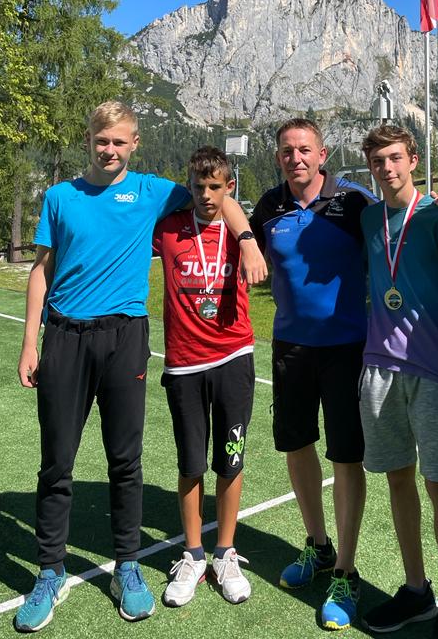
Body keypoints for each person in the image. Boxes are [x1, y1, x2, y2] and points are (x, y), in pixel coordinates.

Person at [15, 102, 265, 632]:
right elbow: (41, 271)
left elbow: (222, 195)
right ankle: (49, 571)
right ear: (89, 139)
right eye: (101, 140)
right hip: (63, 336)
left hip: (126, 337)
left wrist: (245, 241)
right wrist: (29, 341)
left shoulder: (153, 191)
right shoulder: (60, 197)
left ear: (135, 144)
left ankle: (128, 566)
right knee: (56, 462)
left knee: (125, 461)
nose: (110, 149)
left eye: (120, 141)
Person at [250, 117, 375, 630]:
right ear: (278, 156)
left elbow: (399, 219)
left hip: (348, 349)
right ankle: (318, 546)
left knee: (345, 456)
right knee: (296, 446)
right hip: (290, 349)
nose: (295, 158)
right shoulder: (268, 206)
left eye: (304, 150)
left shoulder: (353, 202)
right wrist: (241, 238)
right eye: (286, 151)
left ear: (322, 154)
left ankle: (345, 568)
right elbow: (232, 215)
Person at [358, 125, 438, 638]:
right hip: (379, 369)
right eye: (378, 160)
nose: (387, 168)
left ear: (414, 160)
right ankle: (416, 589)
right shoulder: (366, 218)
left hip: (433, 372)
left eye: (395, 158)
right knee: (397, 479)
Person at [153, 147, 254, 608]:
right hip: (184, 363)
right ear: (188, 186)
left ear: (229, 188)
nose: (207, 195)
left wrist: (248, 239)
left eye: (216, 187)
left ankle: (224, 551)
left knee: (230, 458)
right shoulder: (169, 228)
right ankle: (192, 553)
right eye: (199, 187)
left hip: (234, 357)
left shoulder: (240, 231)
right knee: (191, 462)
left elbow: (236, 214)